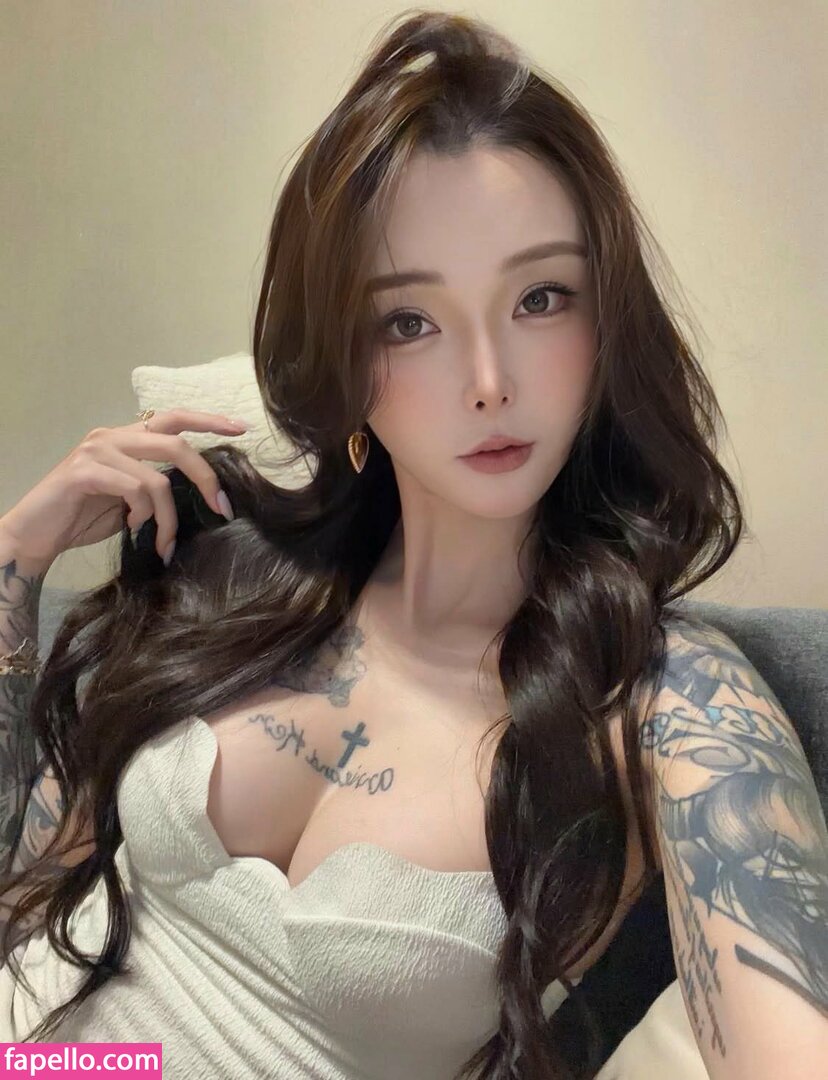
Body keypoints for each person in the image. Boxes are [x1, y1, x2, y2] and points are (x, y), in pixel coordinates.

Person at [2, 10, 826, 1080]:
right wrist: (15, 562)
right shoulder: (227, 576)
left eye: (541, 298)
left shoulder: (667, 697)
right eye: (409, 321)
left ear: (606, 324)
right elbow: (29, 894)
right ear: (346, 359)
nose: (488, 380)